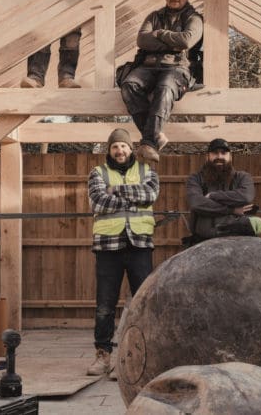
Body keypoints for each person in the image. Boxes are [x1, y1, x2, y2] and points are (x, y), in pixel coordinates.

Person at [86, 128, 160, 375]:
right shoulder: (98, 173)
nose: (120, 151)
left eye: (124, 146)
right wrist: (132, 197)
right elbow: (98, 202)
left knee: (142, 303)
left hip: (139, 244)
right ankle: (103, 356)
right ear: (109, 150)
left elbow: (150, 194)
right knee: (105, 305)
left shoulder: (146, 171)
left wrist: (115, 191)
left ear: (131, 149)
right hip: (108, 246)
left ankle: (134, 356)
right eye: (115, 146)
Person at [120, 0, 203, 163]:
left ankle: (149, 142)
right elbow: (142, 40)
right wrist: (172, 43)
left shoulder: (194, 18)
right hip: (148, 66)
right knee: (129, 85)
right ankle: (155, 136)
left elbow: (187, 40)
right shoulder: (154, 16)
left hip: (177, 68)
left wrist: (160, 34)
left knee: (165, 87)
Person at [185, 138, 261, 244]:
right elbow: (196, 203)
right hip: (203, 242)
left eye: (224, 153)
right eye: (215, 153)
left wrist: (213, 196)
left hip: (238, 241)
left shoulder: (242, 177)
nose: (219, 157)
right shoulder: (195, 178)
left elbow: (246, 196)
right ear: (207, 156)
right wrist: (232, 210)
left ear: (230, 157)